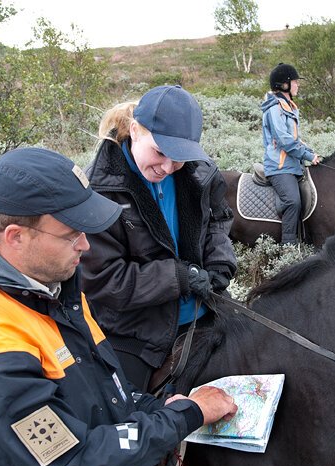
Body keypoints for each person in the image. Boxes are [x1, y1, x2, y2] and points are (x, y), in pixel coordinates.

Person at [0, 147, 237, 466]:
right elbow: (64, 464)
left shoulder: (59, 296)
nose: (86, 246)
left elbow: (102, 398)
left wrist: (154, 406)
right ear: (15, 237)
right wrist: (184, 415)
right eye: (72, 234)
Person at [80, 85, 237, 392]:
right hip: (135, 332)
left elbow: (217, 220)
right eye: (160, 151)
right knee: (128, 414)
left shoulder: (199, 173)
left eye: (178, 157)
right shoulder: (99, 191)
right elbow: (102, 279)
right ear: (135, 130)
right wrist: (179, 277)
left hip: (209, 310)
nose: (168, 167)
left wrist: (219, 264)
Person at [261, 63, 321, 245]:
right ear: (284, 84)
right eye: (295, 82)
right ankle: (289, 246)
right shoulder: (275, 108)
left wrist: (311, 152)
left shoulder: (289, 107)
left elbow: (296, 138)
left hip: (292, 166)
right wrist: (308, 156)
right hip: (279, 167)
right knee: (293, 201)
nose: (297, 85)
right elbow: (284, 140)